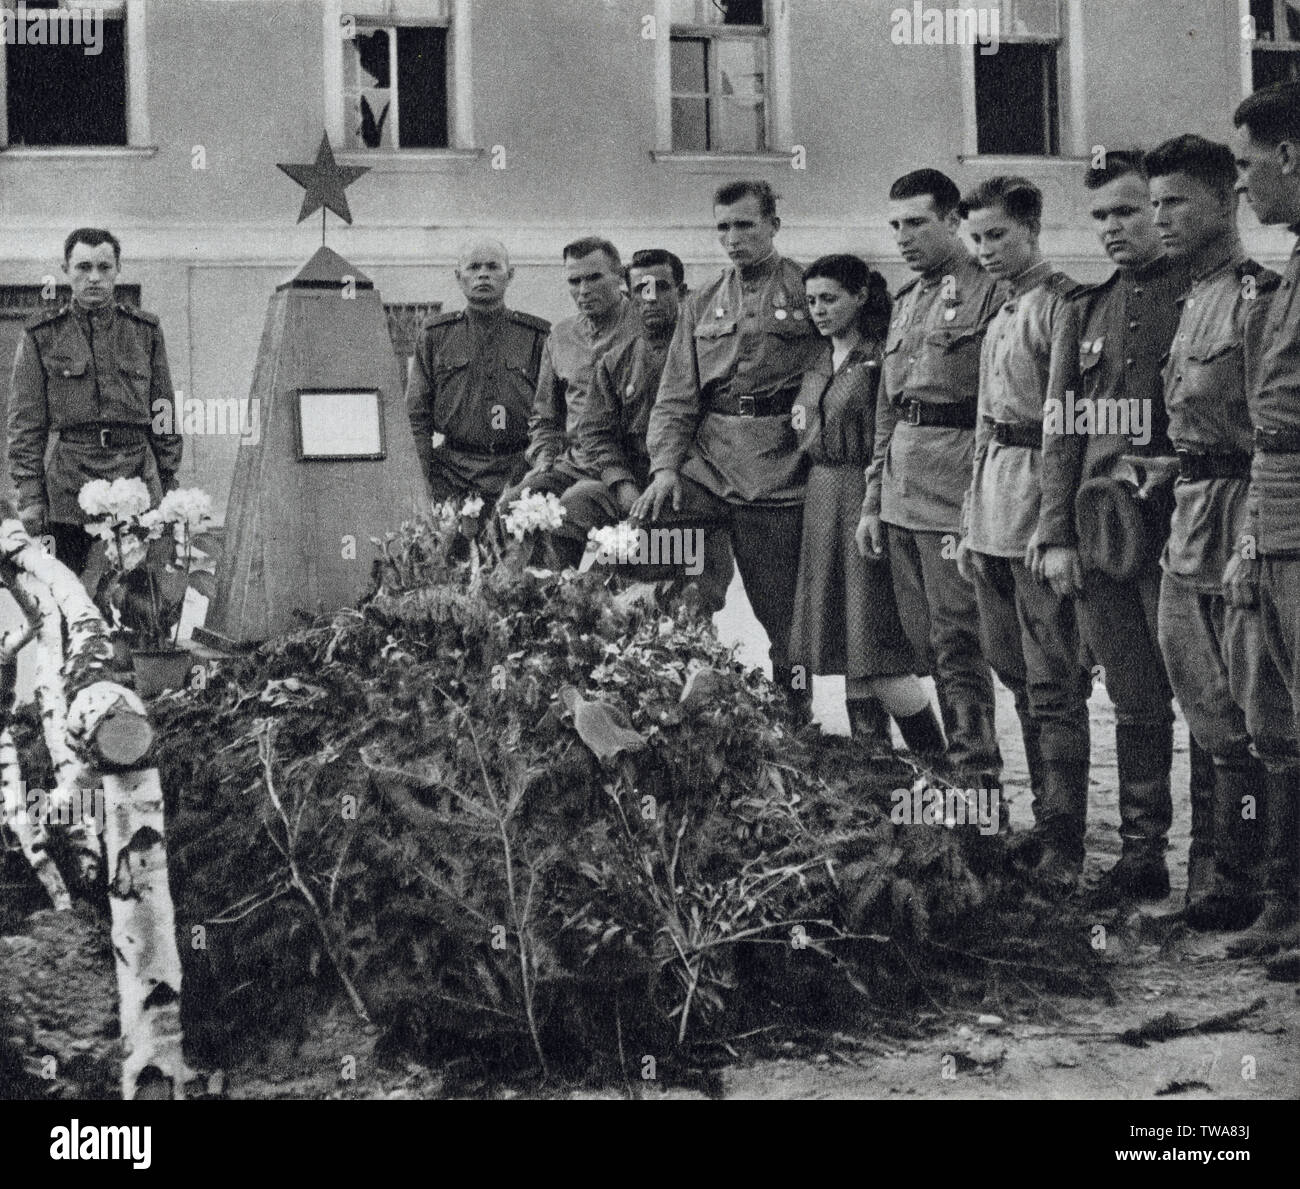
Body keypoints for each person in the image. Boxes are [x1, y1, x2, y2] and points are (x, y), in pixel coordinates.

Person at [1038, 151, 1217, 910]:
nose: (1112, 228)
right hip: (1104, 533)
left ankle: (1214, 866)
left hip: (1186, 530)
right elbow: (1061, 433)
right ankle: (1143, 853)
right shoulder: (1085, 310)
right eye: (1101, 216)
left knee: (1209, 701)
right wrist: (1056, 534)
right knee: (1135, 698)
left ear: (1162, 209)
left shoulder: (1206, 299)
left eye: (1127, 211)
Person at [1147, 133, 1294, 925]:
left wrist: (1250, 540)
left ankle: (1279, 895)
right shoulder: (1194, 295)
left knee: (1263, 710)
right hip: (1192, 513)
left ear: (1224, 202)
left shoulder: (1257, 295)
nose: (1159, 216)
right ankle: (1227, 886)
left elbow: (1268, 430)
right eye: (1155, 202)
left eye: (1176, 201)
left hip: (1244, 512)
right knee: (1208, 707)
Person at [635, 180, 823, 720]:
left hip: (777, 471)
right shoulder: (701, 304)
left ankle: (795, 712)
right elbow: (676, 395)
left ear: (773, 227)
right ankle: (674, 691)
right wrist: (666, 467)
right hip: (708, 468)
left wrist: (808, 413)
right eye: (723, 227)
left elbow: (829, 365)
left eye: (745, 225)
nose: (733, 238)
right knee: (666, 572)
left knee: (783, 613)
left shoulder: (807, 290)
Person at [956, 176, 1091, 891]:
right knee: (1013, 674)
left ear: (1032, 230)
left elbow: (1064, 421)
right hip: (992, 508)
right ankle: (1044, 824)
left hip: (1036, 505)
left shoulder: (1061, 305)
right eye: (976, 238)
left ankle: (1066, 842)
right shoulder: (1002, 308)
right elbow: (986, 419)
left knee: (1054, 684)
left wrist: (1055, 522)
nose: (985, 250)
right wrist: (970, 517)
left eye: (998, 236)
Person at [858, 170, 1004, 784]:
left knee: (958, 645)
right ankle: (949, 771)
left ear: (952, 221)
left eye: (916, 223)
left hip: (953, 493)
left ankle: (978, 779)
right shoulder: (905, 300)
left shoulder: (991, 291)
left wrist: (977, 500)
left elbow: (997, 408)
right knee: (925, 646)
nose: (902, 238)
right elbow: (889, 410)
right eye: (895, 225)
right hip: (902, 494)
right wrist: (872, 499)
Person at [790, 253, 944, 756]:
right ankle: (876, 773)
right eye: (811, 300)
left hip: (863, 498)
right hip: (820, 502)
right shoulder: (816, 360)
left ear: (860, 296)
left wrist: (872, 505)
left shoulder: (879, 357)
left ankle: (938, 763)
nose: (819, 309)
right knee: (852, 647)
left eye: (830, 298)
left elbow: (888, 434)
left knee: (875, 643)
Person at [1223, 81, 1300, 978]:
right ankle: (1285, 898)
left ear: (1288, 154)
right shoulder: (1286, 273)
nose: (1243, 185)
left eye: (1246, 164)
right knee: (1279, 717)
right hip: (1276, 499)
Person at [553, 248, 733, 605]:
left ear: (682, 293)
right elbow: (596, 432)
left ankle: (679, 604)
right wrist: (621, 484)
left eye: (661, 288)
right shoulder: (617, 360)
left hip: (692, 482)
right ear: (630, 296)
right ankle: (587, 606)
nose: (650, 299)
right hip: (635, 481)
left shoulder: (711, 354)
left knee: (685, 583)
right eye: (640, 290)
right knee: (574, 506)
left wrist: (677, 475)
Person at [7, 228, 181, 575]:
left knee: (145, 595)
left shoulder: (144, 331)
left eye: (104, 267)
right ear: (66, 269)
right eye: (83, 267)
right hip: (71, 485)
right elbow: (26, 426)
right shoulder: (43, 335)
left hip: (138, 476)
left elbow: (163, 412)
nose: (94, 278)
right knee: (75, 593)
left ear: (118, 268)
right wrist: (31, 496)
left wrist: (168, 480)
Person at [405, 237, 550, 518]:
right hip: (451, 475)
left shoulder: (537, 337)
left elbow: (551, 415)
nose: (483, 274)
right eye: (473, 267)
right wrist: (419, 479)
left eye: (493, 266)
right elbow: (416, 417)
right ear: (459, 277)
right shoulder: (436, 335)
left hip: (519, 472)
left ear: (510, 275)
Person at [503, 237, 640, 511]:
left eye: (594, 278)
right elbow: (545, 417)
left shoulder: (642, 327)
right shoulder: (561, 336)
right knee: (513, 506)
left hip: (632, 463)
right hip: (577, 462)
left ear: (620, 277)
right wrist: (544, 459)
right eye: (574, 281)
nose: (583, 290)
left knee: (575, 508)